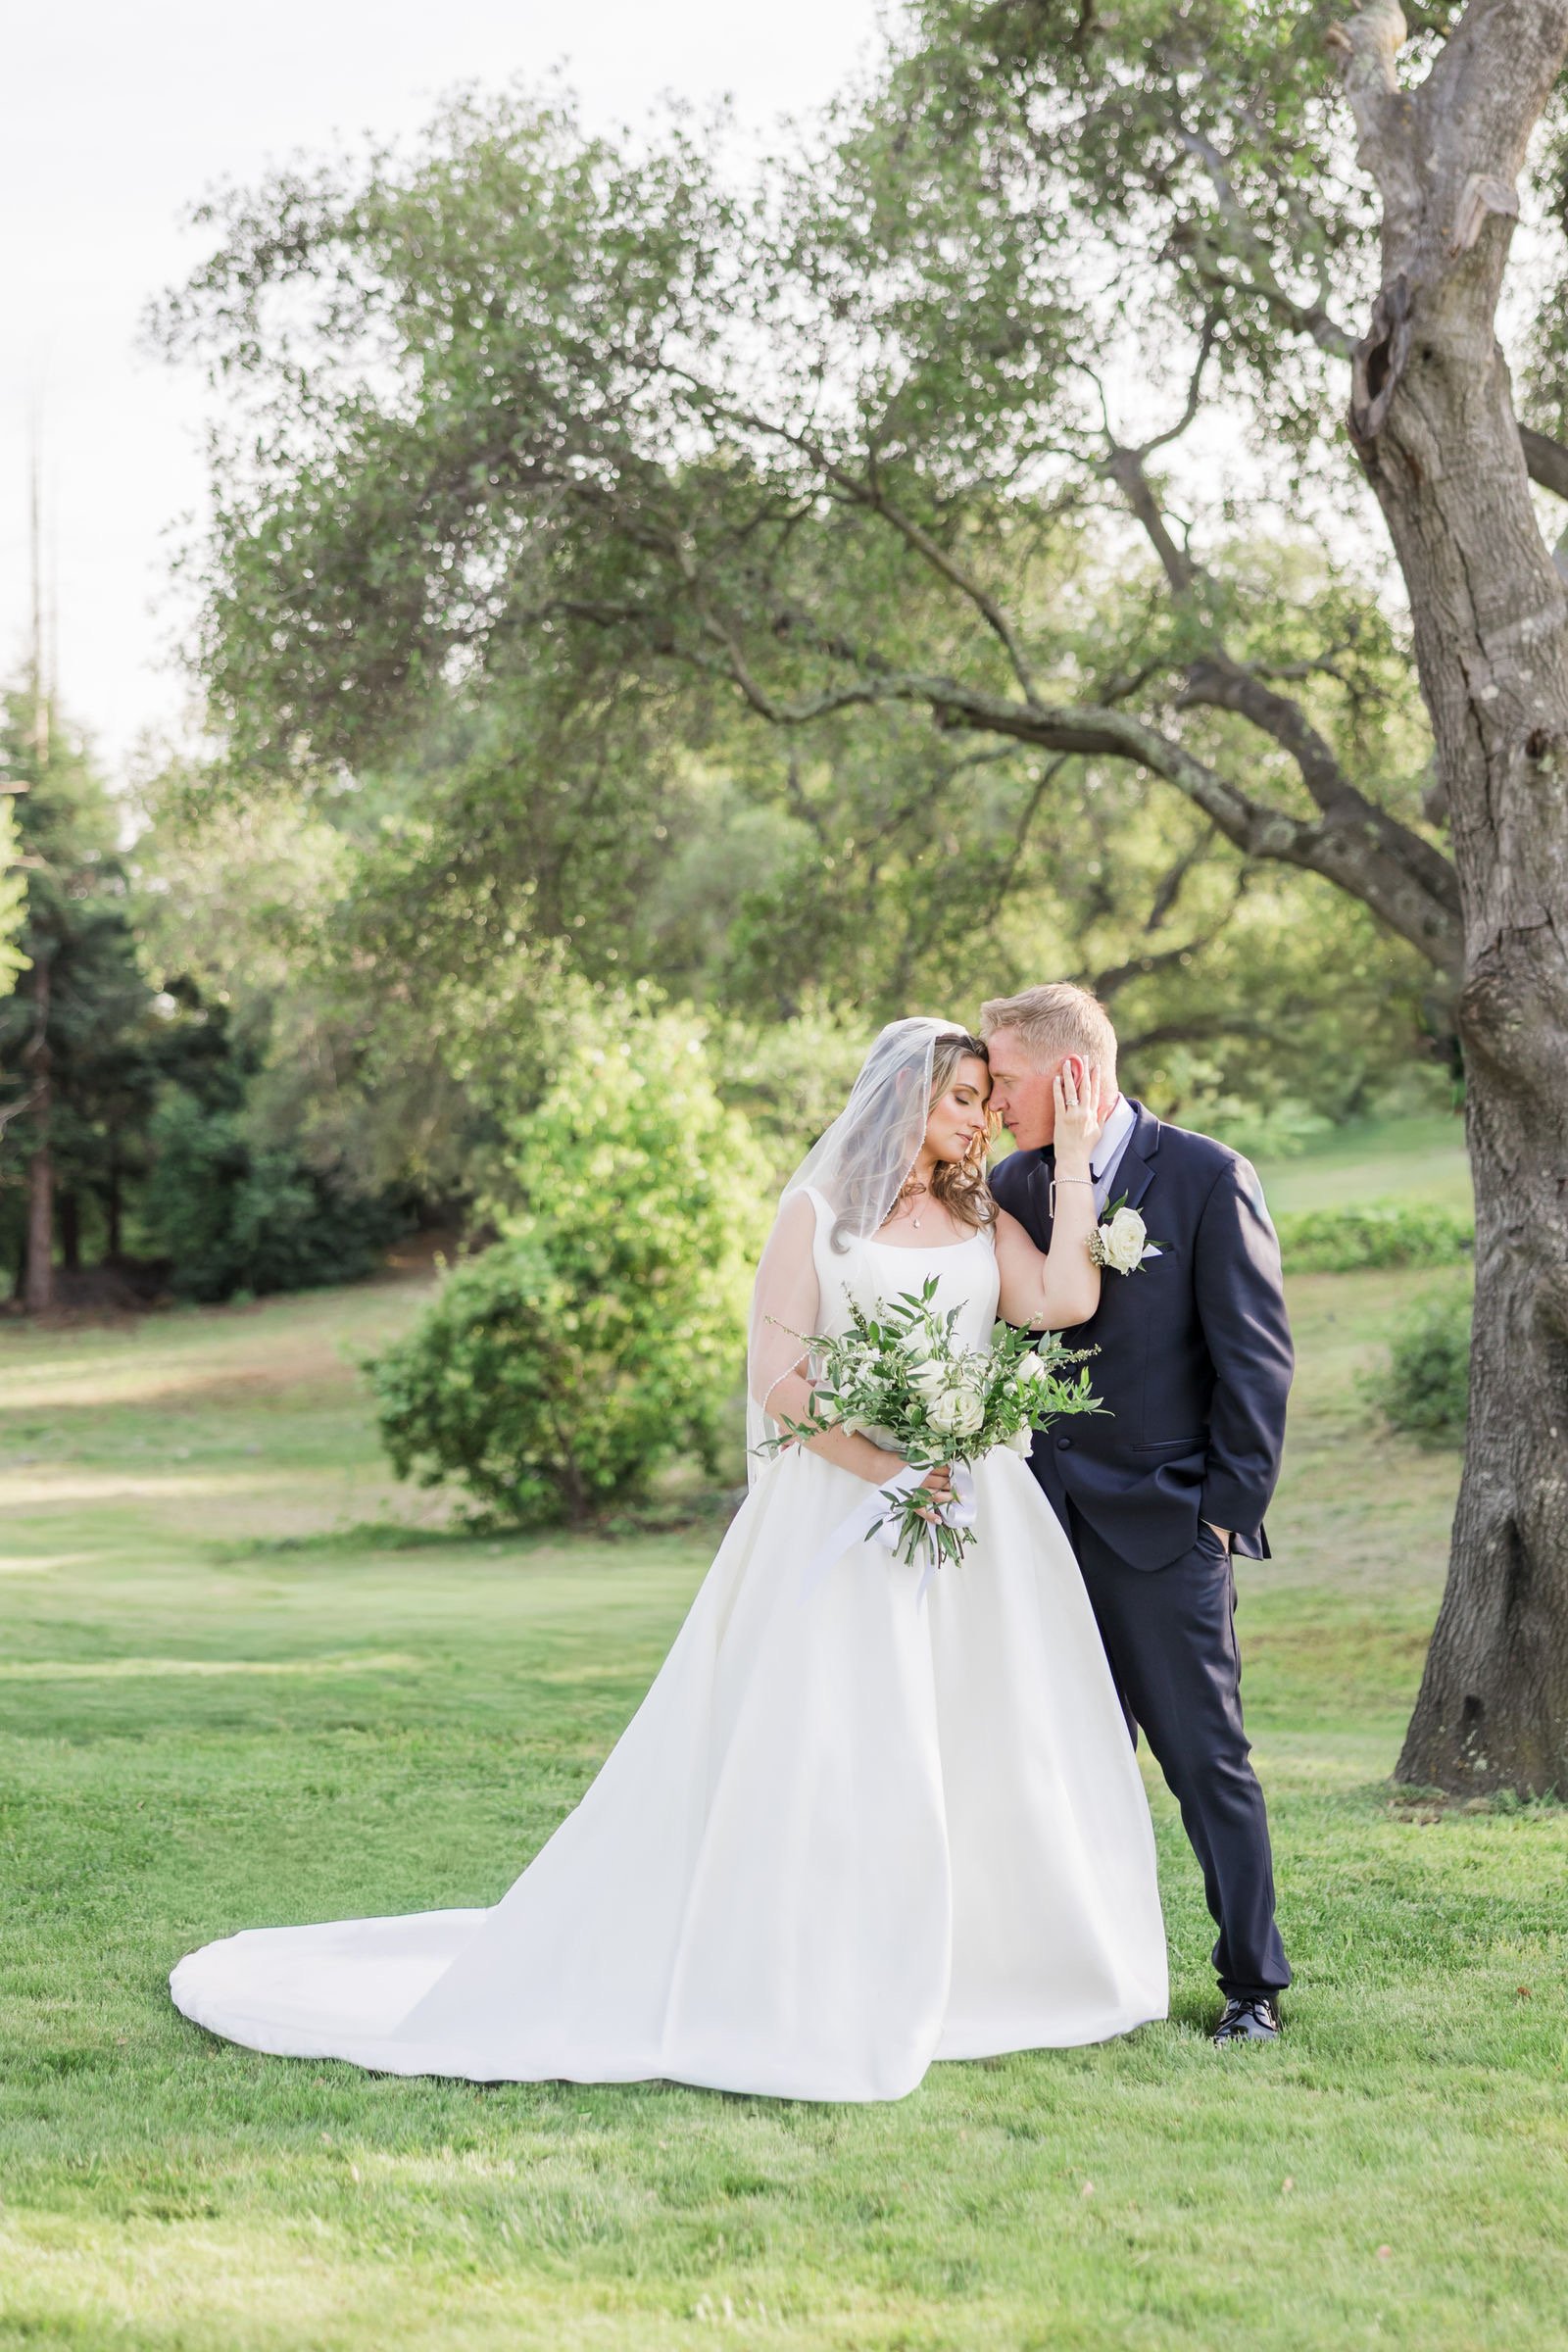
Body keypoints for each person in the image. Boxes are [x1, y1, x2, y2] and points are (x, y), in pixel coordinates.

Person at [171, 1018, 1167, 2101]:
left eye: (984, 1097)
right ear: (906, 1098)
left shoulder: (979, 1214)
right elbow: (779, 1382)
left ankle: (983, 1963)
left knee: (979, 1738)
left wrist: (1074, 1158)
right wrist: (888, 1468)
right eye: (963, 1097)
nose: (980, 1118)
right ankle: (814, 1964)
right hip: (847, 1509)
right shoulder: (817, 1215)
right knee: (842, 1738)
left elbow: (1063, 1300)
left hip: (972, 1520)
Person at [982, 984, 1294, 2044]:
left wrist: (1222, 1518)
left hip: (1167, 1529)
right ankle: (1087, 1972)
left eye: (1006, 1080)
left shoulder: (1205, 1176)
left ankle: (1252, 1985)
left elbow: (1256, 1364)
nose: (994, 1102)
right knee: (1063, 1757)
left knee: (1204, 1761)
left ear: (1073, 1073)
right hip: (1039, 1527)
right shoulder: (1014, 1185)